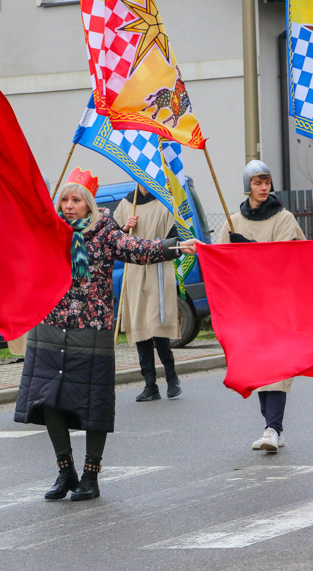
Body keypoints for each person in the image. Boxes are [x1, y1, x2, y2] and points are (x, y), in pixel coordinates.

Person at [14, 167, 199, 501]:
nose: (69, 205)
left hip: (92, 331)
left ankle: (91, 476)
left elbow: (139, 249)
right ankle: (65, 470)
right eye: (64, 199)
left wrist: (175, 247)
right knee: (48, 400)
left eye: (76, 199)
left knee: (93, 405)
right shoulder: (49, 231)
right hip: (51, 327)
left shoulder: (105, 233)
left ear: (89, 204)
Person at [217, 160, 305, 452]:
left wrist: (249, 248)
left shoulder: (284, 219)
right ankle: (271, 426)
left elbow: (284, 259)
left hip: (278, 304)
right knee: (259, 368)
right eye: (257, 182)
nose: (263, 187)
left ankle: (273, 428)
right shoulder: (232, 222)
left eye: (266, 181)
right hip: (248, 308)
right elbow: (219, 263)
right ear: (248, 186)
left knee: (278, 368)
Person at [113, 186, 182, 402]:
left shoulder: (164, 202)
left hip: (158, 269)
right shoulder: (126, 204)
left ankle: (172, 378)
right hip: (134, 272)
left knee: (157, 325)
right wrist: (124, 229)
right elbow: (113, 241)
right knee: (140, 326)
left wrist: (158, 246)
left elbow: (175, 239)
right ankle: (150, 384)